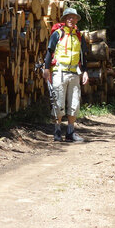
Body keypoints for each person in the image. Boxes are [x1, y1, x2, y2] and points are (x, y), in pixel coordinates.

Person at [43, 7, 90, 142]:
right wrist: (47, 69)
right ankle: (57, 130)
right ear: (64, 19)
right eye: (69, 17)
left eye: (74, 17)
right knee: (58, 101)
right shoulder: (57, 33)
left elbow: (82, 56)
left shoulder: (78, 35)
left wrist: (85, 71)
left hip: (74, 72)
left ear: (76, 20)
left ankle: (70, 132)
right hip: (59, 71)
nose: (71, 19)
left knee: (74, 102)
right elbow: (49, 51)